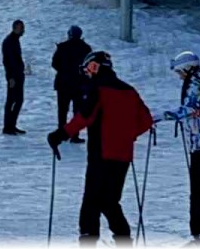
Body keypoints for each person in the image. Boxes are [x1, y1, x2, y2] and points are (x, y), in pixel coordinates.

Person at [48, 51, 154, 245]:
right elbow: (146, 120)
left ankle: (88, 240)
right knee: (110, 201)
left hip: (101, 154)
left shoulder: (97, 89)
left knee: (91, 202)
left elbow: (84, 117)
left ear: (95, 67)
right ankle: (124, 240)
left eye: (87, 69)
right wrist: (128, 135)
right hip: (123, 156)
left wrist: (60, 135)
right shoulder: (129, 90)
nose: (86, 73)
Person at [151, 51, 200, 244]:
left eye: (179, 72)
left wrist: (160, 116)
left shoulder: (195, 85)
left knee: (199, 193)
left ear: (187, 68)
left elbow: (190, 109)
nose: (179, 76)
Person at [52, 25, 92, 142]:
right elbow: (89, 66)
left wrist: (64, 71)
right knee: (77, 111)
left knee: (62, 110)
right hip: (79, 85)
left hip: (63, 84)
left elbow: (54, 64)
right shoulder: (86, 48)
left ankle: (61, 133)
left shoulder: (62, 47)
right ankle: (74, 135)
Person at [2, 19, 26, 134]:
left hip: (17, 75)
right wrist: (11, 77)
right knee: (12, 101)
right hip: (14, 76)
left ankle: (11, 125)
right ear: (15, 28)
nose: (23, 30)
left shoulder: (14, 40)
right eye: (21, 28)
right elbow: (8, 61)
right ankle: (8, 127)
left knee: (17, 100)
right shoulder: (9, 41)